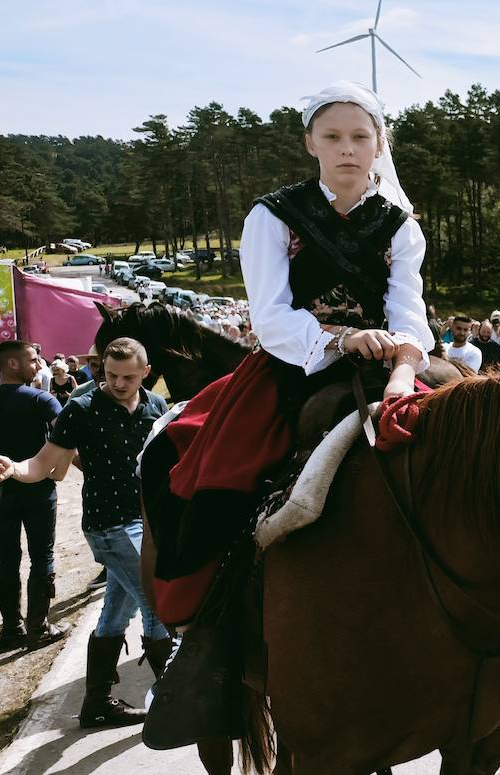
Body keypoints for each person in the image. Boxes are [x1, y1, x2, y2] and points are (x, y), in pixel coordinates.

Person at [153, 80, 433, 641]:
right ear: (311, 143)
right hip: (293, 366)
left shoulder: (400, 226)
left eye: (360, 136)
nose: (347, 148)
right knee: (220, 486)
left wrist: (404, 369)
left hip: (389, 369)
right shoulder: (274, 215)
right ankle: (215, 633)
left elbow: (409, 310)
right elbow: (271, 315)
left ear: (380, 144)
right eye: (333, 136)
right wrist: (343, 339)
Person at [0, 338, 171, 727]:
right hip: (109, 526)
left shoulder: (156, 407)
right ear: (102, 368)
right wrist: (13, 468)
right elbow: (42, 464)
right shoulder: (81, 409)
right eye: (111, 375)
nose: (119, 383)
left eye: (129, 377)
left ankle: (97, 704)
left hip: (148, 523)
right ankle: (174, 698)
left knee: (118, 609)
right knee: (155, 600)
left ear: (146, 373)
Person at [0, 340, 67, 650]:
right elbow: (67, 436)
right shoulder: (41, 400)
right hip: (38, 489)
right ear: (13, 364)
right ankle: (38, 627)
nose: (39, 365)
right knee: (42, 555)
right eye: (33, 359)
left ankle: (11, 628)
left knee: (6, 560)